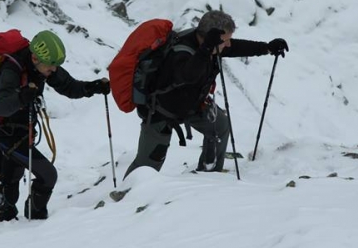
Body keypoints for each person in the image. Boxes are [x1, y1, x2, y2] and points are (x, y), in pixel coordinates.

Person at [124, 10, 289, 178]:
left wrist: (267, 48)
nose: (228, 45)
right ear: (210, 38)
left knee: (220, 126)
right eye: (226, 40)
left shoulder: (212, 45)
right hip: (161, 112)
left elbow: (236, 47)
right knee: (148, 164)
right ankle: (127, 192)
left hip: (193, 105)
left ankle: (210, 177)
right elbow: (188, 75)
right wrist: (207, 48)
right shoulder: (181, 51)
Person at [0, 30, 109, 221]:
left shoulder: (43, 66)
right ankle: (35, 220)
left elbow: (69, 86)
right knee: (48, 175)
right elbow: (0, 107)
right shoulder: (12, 70)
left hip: (23, 130)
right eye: (51, 66)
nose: (54, 70)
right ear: (35, 58)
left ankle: (5, 219)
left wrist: (93, 87)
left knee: (12, 175)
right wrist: (22, 97)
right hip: (4, 133)